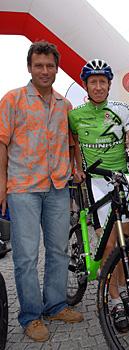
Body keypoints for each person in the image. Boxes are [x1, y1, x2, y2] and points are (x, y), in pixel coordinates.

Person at [68, 59, 129, 333]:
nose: (98, 86)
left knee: (125, 242)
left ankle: (122, 286)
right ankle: (114, 300)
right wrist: (77, 168)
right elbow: (72, 143)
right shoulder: (76, 114)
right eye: (93, 82)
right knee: (109, 246)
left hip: (121, 180)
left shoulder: (122, 109)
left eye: (103, 81)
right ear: (86, 85)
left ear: (109, 85)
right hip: (97, 182)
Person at [0, 41, 83, 342]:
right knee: (25, 256)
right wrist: (1, 185)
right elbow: (2, 143)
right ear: (29, 67)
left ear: (57, 68)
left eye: (50, 66)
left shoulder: (65, 105)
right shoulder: (13, 100)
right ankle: (31, 316)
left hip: (58, 187)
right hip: (23, 188)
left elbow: (73, 144)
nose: (45, 71)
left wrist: (77, 169)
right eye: (39, 65)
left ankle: (56, 304)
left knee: (59, 251)